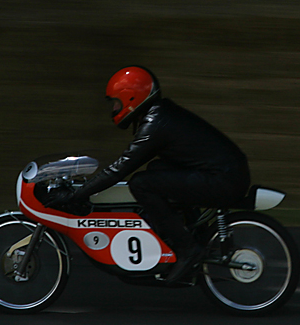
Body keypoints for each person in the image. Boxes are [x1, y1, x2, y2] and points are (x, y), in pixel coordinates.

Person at [47, 66, 251, 284]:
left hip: (223, 180)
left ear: (131, 98)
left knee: (141, 184)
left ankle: (188, 249)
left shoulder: (156, 124)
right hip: (226, 174)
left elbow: (119, 169)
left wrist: (76, 195)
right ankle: (187, 234)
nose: (114, 109)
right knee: (156, 170)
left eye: (117, 102)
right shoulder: (160, 114)